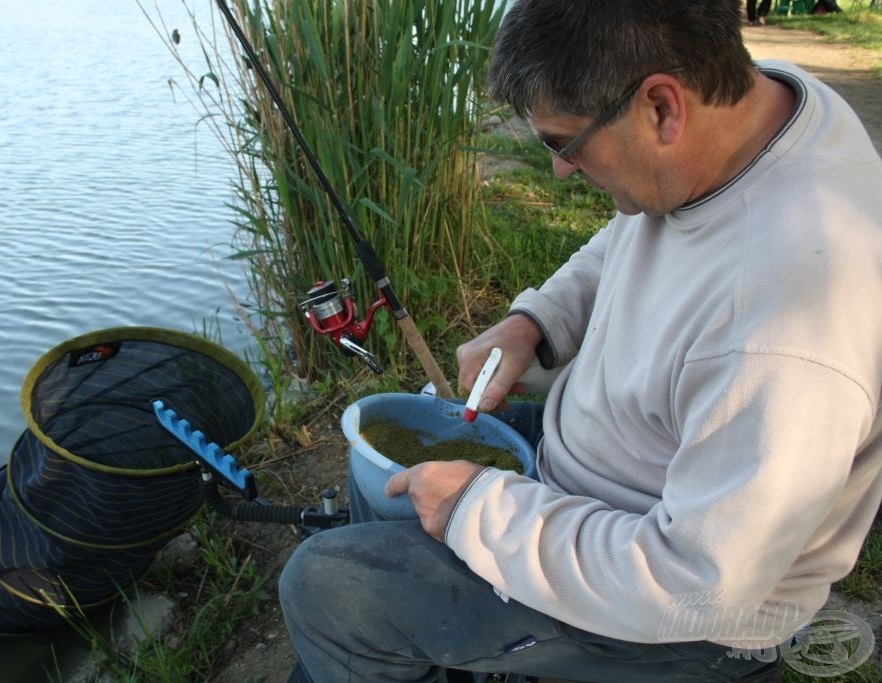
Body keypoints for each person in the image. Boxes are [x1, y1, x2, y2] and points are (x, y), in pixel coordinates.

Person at [278, 0, 882, 681]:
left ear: (660, 107)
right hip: (602, 463)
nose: (561, 171)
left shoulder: (787, 331)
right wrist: (535, 320)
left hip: (672, 620)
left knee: (325, 586)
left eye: (561, 142)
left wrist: (479, 509)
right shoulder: (755, 109)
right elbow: (631, 228)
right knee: (393, 448)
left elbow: (698, 585)